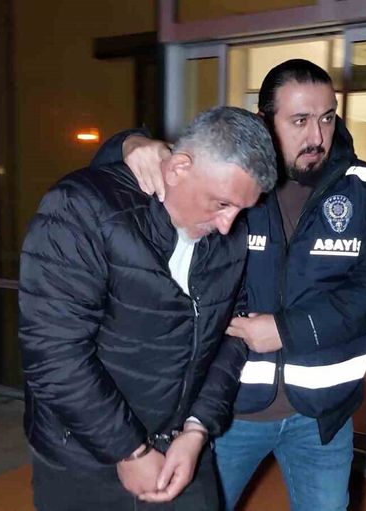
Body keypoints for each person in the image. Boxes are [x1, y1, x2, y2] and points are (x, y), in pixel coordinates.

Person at [105, 59, 366, 511]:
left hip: (322, 417)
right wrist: (128, 145)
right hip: (225, 412)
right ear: (265, 120)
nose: (317, 136)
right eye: (300, 120)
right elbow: (116, 185)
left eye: (327, 118)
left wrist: (287, 329)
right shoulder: (234, 180)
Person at [18, 106, 277, 511]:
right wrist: (130, 451)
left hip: (181, 445)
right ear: (179, 168)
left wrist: (197, 429)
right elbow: (53, 353)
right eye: (221, 204)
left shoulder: (229, 236)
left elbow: (231, 334)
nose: (229, 224)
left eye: (241, 210)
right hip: (83, 455)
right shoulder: (81, 208)